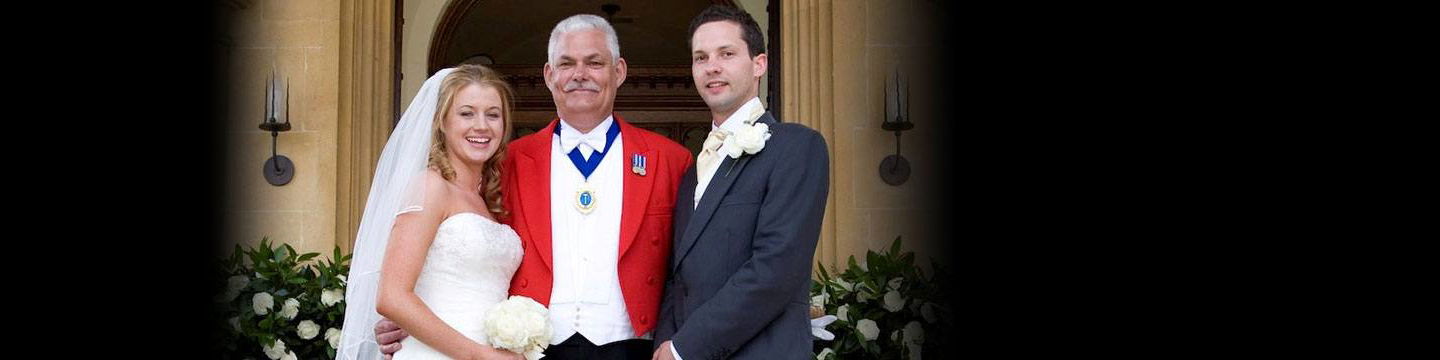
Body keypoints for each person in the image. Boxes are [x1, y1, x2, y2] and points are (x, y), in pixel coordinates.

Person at [376, 14, 693, 360]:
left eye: (595, 63)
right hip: (532, 350)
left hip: (633, 347)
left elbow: (691, 267)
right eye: (567, 63)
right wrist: (406, 318)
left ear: (618, 71)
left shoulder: (670, 159)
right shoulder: (507, 163)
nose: (580, 74)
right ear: (548, 75)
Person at [653, 5, 831, 359]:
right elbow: (678, 276)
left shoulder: (796, 147)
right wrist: (665, 344)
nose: (712, 66)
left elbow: (775, 270)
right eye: (700, 57)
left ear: (759, 64)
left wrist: (684, 348)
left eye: (727, 54)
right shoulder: (693, 170)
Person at [337, 64, 526, 360]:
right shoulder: (430, 186)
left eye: (493, 114)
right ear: (442, 121)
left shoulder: (488, 199)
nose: (482, 126)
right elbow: (392, 296)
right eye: (466, 113)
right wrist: (480, 355)